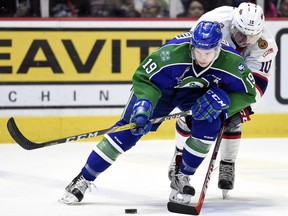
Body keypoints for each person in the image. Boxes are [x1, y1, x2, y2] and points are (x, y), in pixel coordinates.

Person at [58, 21, 256, 205]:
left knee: (209, 123)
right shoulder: (170, 54)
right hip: (160, 91)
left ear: (218, 49)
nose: (202, 58)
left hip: (197, 94)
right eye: (198, 52)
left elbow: (248, 93)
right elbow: (144, 78)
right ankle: (83, 179)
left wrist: (224, 101)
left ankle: (182, 176)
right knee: (128, 131)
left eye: (208, 53)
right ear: (192, 47)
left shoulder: (232, 63)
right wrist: (144, 104)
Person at [168, 2, 278, 197]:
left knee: (233, 119)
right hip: (205, 72)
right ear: (233, 25)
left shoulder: (265, 45)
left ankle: (228, 163)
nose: (245, 40)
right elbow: (193, 55)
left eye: (251, 36)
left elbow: (256, 84)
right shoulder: (213, 21)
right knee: (190, 115)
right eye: (241, 33)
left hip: (236, 80)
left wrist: (238, 106)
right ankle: (178, 156)